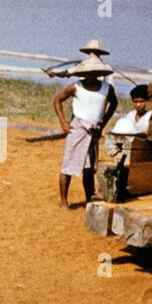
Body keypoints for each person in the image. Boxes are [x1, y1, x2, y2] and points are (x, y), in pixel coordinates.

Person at [52, 54, 117, 209]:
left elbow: (113, 104)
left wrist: (103, 123)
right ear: (83, 73)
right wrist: (63, 122)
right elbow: (57, 100)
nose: (91, 75)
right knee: (68, 166)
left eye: (94, 72)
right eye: (88, 72)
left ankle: (89, 199)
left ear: (99, 73)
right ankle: (63, 201)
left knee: (89, 168)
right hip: (77, 129)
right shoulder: (76, 87)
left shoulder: (107, 88)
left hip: (94, 131)